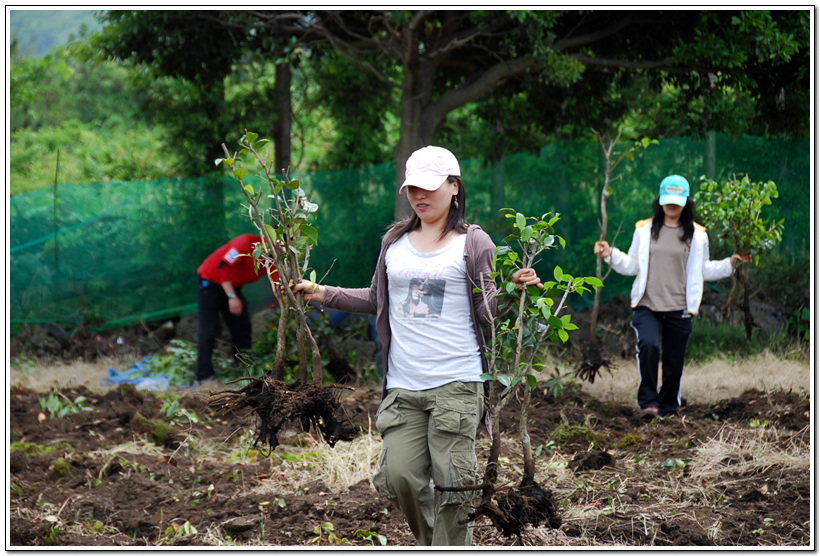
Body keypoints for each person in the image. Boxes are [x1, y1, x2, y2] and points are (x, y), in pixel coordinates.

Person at [292, 145, 541, 546]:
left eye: (429, 188)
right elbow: (377, 298)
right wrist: (322, 292)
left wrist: (514, 293)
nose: (420, 197)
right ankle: (432, 545)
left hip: (456, 384)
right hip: (405, 387)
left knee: (455, 487)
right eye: (412, 189)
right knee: (399, 477)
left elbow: (486, 311)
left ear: (455, 187)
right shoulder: (395, 240)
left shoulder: (474, 243)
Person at [593, 175, 749, 419]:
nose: (672, 205)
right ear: (660, 200)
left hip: (680, 306)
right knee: (648, 346)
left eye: (677, 201)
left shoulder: (698, 235)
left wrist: (730, 264)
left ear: (686, 202)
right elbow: (632, 265)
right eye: (668, 200)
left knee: (674, 360)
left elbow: (704, 269)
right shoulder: (644, 231)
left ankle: (668, 408)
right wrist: (609, 254)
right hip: (647, 304)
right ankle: (648, 403)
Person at [196, 233, 278, 383]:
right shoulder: (245, 243)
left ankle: (243, 369)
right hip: (211, 282)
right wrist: (232, 297)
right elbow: (223, 267)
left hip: (233, 287)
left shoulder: (274, 259)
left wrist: (285, 307)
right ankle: (205, 376)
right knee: (208, 331)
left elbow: (277, 284)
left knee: (242, 328)